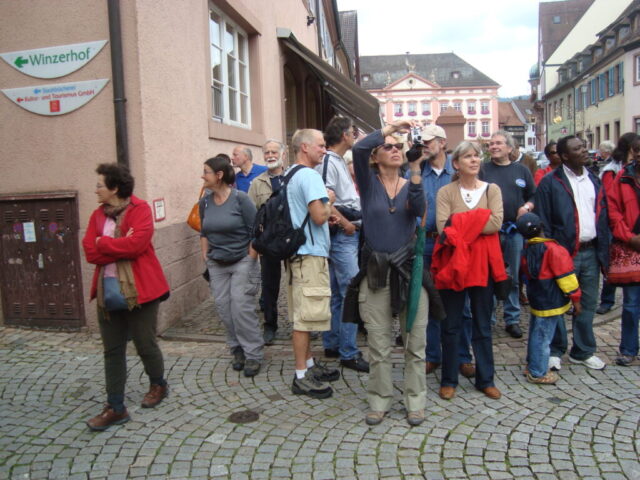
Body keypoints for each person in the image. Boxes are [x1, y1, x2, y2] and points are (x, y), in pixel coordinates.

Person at [82, 163, 170, 431]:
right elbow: (90, 251)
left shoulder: (139, 210)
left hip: (140, 291)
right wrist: (114, 244)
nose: (95, 190)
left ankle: (158, 384)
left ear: (115, 188)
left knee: (145, 344)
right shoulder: (97, 215)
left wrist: (104, 243)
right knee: (112, 351)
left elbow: (136, 246)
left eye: (100, 185)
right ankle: (116, 407)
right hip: (108, 292)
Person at [352, 120, 428, 427]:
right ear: (376, 156)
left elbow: (420, 210)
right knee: (379, 343)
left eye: (399, 147)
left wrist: (417, 169)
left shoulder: (411, 182)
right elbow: (359, 147)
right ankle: (379, 401)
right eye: (388, 147)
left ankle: (415, 402)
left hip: (409, 270)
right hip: (377, 271)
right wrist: (391, 128)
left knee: (415, 342)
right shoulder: (368, 183)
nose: (396, 150)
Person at [432, 141, 506, 401]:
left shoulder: (492, 189)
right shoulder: (446, 192)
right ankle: (449, 379)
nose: (475, 160)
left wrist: (460, 222)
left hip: (483, 266)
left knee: (482, 325)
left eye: (477, 156)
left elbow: (496, 223)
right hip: (454, 265)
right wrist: (477, 219)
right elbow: (444, 229)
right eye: (468, 157)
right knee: (451, 325)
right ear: (456, 164)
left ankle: (486, 379)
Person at [534, 135, 609, 371]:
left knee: (587, 303)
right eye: (578, 149)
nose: (584, 150)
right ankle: (555, 350)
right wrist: (552, 251)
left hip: (591, 250)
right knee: (558, 302)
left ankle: (583, 350)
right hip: (563, 253)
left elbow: (602, 215)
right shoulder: (550, 182)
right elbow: (543, 219)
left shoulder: (594, 179)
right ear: (565, 156)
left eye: (584, 146)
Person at [415, 125, 474, 378]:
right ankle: (432, 355)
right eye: (423, 142)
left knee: (462, 305)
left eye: (429, 141)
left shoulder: (458, 170)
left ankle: (462, 356)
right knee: (430, 302)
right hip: (428, 244)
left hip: (456, 246)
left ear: (442, 142)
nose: (425, 146)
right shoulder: (418, 172)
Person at [286, 129, 340, 399]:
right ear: (305, 147)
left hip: (297, 254)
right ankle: (301, 377)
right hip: (309, 255)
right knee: (305, 318)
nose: (324, 150)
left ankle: (308, 365)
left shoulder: (290, 173)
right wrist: (329, 201)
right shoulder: (309, 175)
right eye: (320, 145)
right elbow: (318, 216)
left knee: (303, 313)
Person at [200, 156, 264, 377]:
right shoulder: (205, 202)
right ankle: (237, 349)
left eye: (206, 172)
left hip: (241, 261)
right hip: (216, 263)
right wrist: (206, 256)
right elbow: (204, 232)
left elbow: (256, 229)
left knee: (241, 308)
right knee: (224, 309)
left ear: (219, 175)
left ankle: (253, 354)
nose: (202, 176)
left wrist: (250, 257)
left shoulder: (240, 199)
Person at [315, 116, 369, 372]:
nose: (354, 136)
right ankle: (349, 351)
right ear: (344, 135)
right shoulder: (328, 161)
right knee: (351, 292)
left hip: (345, 234)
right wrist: (346, 223)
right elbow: (324, 198)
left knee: (338, 293)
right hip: (342, 234)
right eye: (352, 132)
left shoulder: (335, 160)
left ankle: (333, 343)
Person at [480, 130, 536, 339]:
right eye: (491, 143)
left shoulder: (521, 170)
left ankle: (512, 319)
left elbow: (533, 195)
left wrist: (527, 207)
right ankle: (489, 319)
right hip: (489, 232)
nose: (494, 146)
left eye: (498, 143)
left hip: (514, 232)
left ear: (510, 148)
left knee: (512, 276)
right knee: (489, 275)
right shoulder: (483, 170)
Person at [517, 213, 582, 384]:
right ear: (541, 226)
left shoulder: (527, 250)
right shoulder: (554, 249)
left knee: (536, 332)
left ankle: (532, 364)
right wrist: (576, 299)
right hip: (551, 300)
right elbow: (566, 277)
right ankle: (537, 372)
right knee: (543, 337)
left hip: (537, 297)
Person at [605, 133, 640, 366]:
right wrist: (629, 237)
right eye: (637, 151)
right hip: (631, 247)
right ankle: (628, 349)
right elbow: (613, 211)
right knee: (631, 304)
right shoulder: (622, 177)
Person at [248, 140, 287, 345]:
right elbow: (251, 213)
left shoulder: (293, 178)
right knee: (269, 285)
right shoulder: (257, 182)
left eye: (274, 152)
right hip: (269, 242)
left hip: (292, 239)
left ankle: (302, 324)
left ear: (283, 154)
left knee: (297, 282)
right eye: (267, 152)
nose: (270, 155)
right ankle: (270, 325)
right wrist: (257, 238)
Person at [596, 136, 636, 315]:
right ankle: (607, 299)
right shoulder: (613, 171)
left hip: (632, 226)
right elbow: (609, 202)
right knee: (612, 262)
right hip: (617, 227)